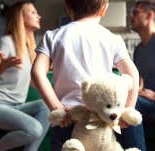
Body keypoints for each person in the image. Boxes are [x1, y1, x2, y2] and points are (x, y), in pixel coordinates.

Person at [31, 0, 147, 151]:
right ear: (104, 8)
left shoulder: (52, 36)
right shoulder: (112, 38)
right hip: (103, 116)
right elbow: (132, 73)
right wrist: (127, 110)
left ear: (67, 6)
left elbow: (37, 72)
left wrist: (56, 107)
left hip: (69, 118)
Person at [0, 1, 50, 151]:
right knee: (35, 129)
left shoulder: (30, 49)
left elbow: (33, 83)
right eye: (33, 12)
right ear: (21, 17)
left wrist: (52, 71)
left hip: (17, 107)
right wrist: (3, 66)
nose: (39, 16)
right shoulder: (6, 42)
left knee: (47, 107)